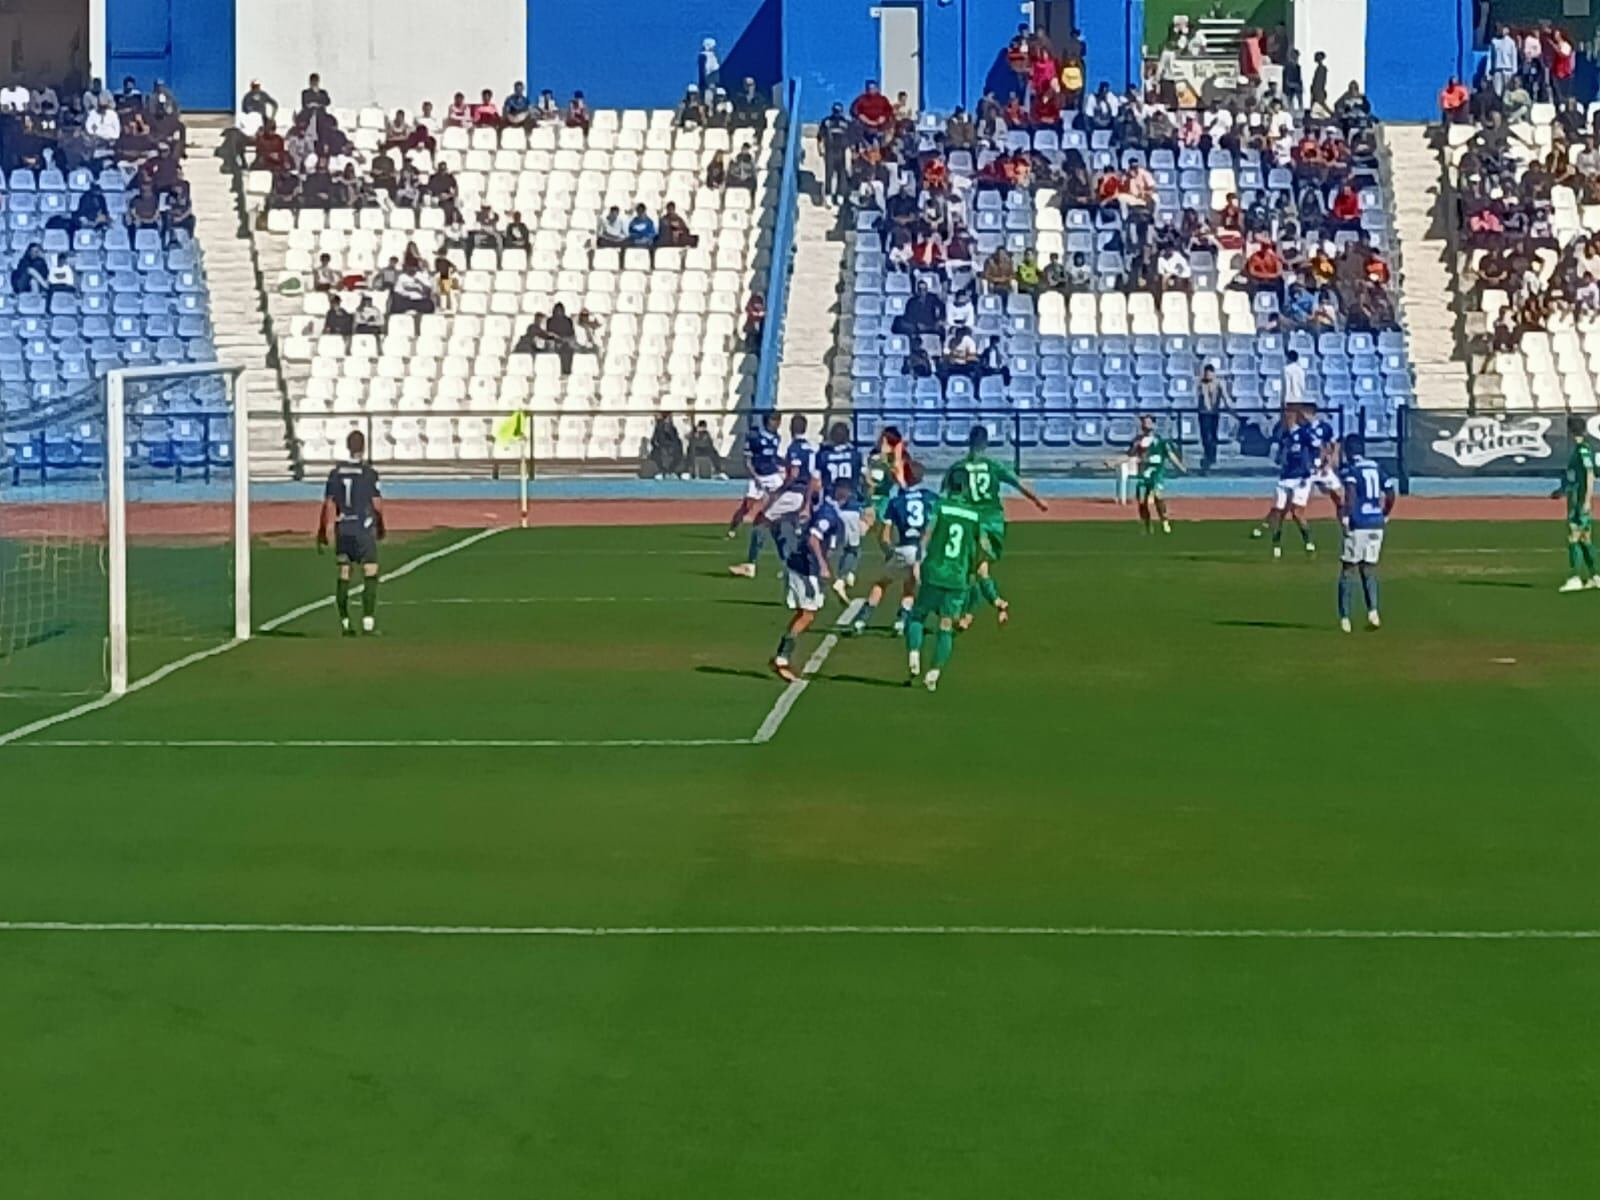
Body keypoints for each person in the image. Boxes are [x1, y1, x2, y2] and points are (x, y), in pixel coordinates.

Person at [954, 424, 1048, 629]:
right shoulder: (993, 465)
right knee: (977, 569)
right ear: (985, 444)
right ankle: (970, 615)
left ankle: (996, 603)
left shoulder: (959, 467)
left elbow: (948, 496)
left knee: (975, 569)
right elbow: (1017, 483)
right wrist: (1037, 500)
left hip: (972, 523)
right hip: (995, 523)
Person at [904, 467, 984, 692]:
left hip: (935, 571)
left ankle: (914, 655)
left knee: (918, 615)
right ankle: (934, 672)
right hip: (957, 577)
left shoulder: (941, 506)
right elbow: (980, 547)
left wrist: (919, 559)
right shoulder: (974, 515)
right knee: (946, 626)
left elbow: (927, 533)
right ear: (967, 487)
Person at [770, 477, 852, 682]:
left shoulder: (824, 507)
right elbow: (813, 539)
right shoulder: (828, 514)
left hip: (802, 565)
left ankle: (782, 657)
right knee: (807, 615)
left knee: (804, 613)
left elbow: (814, 484)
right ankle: (781, 658)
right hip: (806, 569)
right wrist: (823, 565)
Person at [853, 457, 935, 636]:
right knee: (910, 585)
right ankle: (901, 620)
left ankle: (862, 619)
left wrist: (889, 551)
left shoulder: (896, 501)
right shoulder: (929, 497)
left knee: (882, 582)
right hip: (920, 550)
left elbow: (885, 535)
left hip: (903, 548)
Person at [317, 430, 386, 636]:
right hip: (363, 529)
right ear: (363, 447)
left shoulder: (335, 473)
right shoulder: (368, 473)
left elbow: (329, 504)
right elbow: (377, 504)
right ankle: (368, 623)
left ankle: (346, 623)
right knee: (370, 571)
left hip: (343, 528)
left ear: (347, 446)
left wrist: (324, 529)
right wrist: (381, 525)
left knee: (344, 573)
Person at [732, 413, 816, 577]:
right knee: (779, 526)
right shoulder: (811, 448)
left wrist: (780, 491)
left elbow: (794, 475)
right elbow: (813, 477)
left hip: (793, 493)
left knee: (760, 522)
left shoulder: (794, 448)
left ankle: (751, 565)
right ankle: (790, 564)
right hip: (803, 494)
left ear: (791, 428)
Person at [1330, 434, 1397, 630]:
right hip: (1376, 522)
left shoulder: (1352, 470)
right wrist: (1384, 513)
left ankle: (1345, 618)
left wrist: (1346, 516)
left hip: (1358, 522)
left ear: (1349, 451)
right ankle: (1373, 612)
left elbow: (1349, 494)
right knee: (1368, 569)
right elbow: (1391, 493)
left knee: (1348, 569)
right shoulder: (1376, 467)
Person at [814, 422, 865, 599]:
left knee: (826, 546)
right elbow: (862, 478)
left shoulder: (823, 455)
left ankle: (819, 580)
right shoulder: (855, 455)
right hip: (849, 505)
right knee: (853, 548)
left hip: (830, 504)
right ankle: (842, 578)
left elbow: (817, 482)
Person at [1552, 414, 1598, 592]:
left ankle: (1575, 577)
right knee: (1585, 540)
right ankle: (1595, 576)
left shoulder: (1582, 450)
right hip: (1575, 499)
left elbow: (1590, 474)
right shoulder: (1578, 449)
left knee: (1573, 537)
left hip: (1579, 502)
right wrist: (1562, 491)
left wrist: (1586, 500)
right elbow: (1574, 477)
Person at [1263, 405, 1316, 558]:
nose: (1286, 419)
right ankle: (1276, 544)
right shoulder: (1284, 436)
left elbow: (1315, 448)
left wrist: (1314, 464)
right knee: (1278, 511)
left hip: (1300, 477)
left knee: (1297, 513)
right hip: (1285, 477)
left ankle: (1308, 542)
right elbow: (1281, 455)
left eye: (1288, 416)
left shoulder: (1304, 433)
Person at [1118, 414, 1185, 534]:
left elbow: (1170, 455)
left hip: (1157, 473)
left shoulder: (1160, 441)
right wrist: (1115, 462)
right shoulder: (1138, 441)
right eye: (1144, 422)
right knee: (1142, 501)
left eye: (1148, 422)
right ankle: (1147, 525)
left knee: (1157, 496)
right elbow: (1130, 455)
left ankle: (1164, 520)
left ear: (1153, 425)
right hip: (1144, 473)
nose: (1145, 425)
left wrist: (1180, 466)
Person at [726, 410, 785, 543]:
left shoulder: (777, 437)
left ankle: (782, 527)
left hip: (772, 475)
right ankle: (732, 529)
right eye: (774, 420)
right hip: (757, 476)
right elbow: (748, 460)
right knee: (747, 506)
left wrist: (784, 463)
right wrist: (755, 475)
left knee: (783, 500)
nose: (776, 423)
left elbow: (774, 457)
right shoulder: (755, 437)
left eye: (778, 420)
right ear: (766, 421)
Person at [1195, 362, 1230, 472]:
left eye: (1210, 374)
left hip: (1214, 414)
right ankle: (1207, 457)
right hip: (1204, 414)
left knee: (1213, 436)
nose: (1208, 376)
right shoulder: (1202, 384)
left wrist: (1231, 409)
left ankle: (1211, 458)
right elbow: (1205, 398)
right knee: (1206, 437)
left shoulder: (1219, 383)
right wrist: (1209, 408)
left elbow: (1225, 397)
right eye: (1206, 374)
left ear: (1213, 374)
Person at [817, 103, 851, 206]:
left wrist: (850, 150)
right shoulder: (827, 122)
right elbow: (820, 137)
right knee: (829, 173)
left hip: (842, 150)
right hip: (830, 150)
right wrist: (820, 148)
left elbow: (850, 137)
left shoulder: (846, 123)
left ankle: (840, 195)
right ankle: (828, 195)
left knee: (842, 173)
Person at [648, 413, 684, 478]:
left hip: (671, 450)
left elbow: (675, 439)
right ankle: (664, 472)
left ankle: (670, 471)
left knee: (676, 456)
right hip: (662, 450)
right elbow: (654, 440)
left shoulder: (672, 428)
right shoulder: (659, 428)